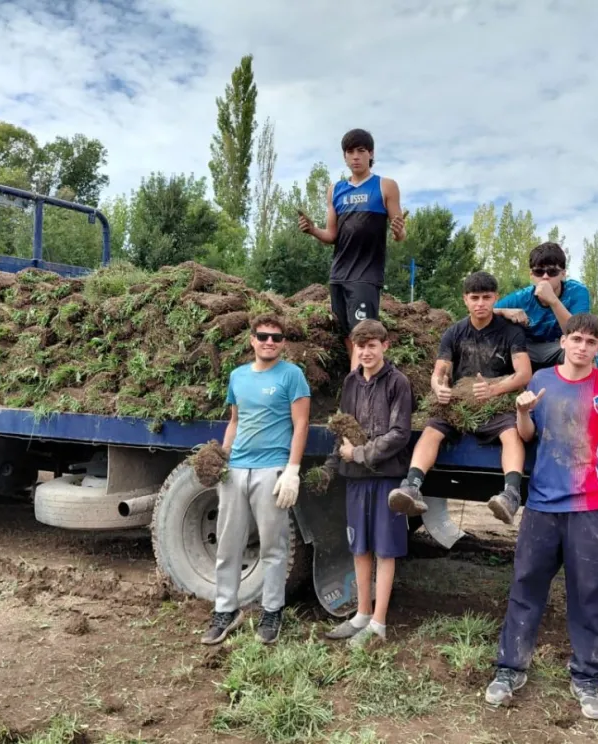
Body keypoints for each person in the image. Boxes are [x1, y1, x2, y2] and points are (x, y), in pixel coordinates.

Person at [484, 313, 598, 720]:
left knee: (591, 597)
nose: (582, 347)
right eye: (576, 339)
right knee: (525, 588)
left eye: (591, 342)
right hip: (541, 506)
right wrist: (521, 412)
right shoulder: (540, 381)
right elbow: (526, 436)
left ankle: (587, 679)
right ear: (563, 340)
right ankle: (509, 670)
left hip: (590, 507)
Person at [386, 271, 532, 525]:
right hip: (460, 402)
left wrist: (494, 390)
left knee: (511, 433)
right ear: (465, 299)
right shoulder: (454, 333)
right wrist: (439, 388)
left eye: (486, 297)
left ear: (496, 298)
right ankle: (411, 485)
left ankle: (510, 494)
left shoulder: (511, 332)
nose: (480, 303)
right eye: (474, 297)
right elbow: (439, 372)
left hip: (497, 401)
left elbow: (524, 374)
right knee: (431, 430)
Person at [201, 314, 311, 646]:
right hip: (236, 470)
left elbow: (302, 424)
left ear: (283, 344)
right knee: (228, 544)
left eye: (276, 338)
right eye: (263, 336)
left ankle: (272, 611)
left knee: (273, 547)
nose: (269, 342)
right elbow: (235, 420)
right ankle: (226, 610)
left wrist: (292, 470)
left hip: (272, 470)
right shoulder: (238, 376)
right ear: (252, 340)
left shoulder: (293, 376)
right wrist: (223, 454)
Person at [317, 319, 414, 648]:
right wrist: (334, 464)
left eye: (373, 345)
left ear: (385, 346)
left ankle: (379, 622)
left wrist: (359, 453)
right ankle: (361, 613)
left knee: (385, 550)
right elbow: (343, 425)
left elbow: (399, 434)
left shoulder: (398, 383)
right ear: (354, 349)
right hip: (356, 480)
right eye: (361, 346)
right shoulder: (350, 383)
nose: (366, 352)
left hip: (386, 478)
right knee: (360, 547)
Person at [299, 128, 406, 370]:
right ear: (345, 157)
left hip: (366, 275)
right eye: (350, 152)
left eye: (361, 151)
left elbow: (400, 235)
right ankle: (356, 382)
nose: (355, 156)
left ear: (371, 154)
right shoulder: (335, 190)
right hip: (338, 275)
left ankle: (361, 392)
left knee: (365, 335)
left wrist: (399, 230)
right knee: (348, 335)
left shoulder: (385, 186)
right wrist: (313, 230)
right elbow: (332, 235)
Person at [492, 241, 598, 369]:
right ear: (532, 275)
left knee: (582, 347)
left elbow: (580, 333)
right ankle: (512, 385)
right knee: (498, 346)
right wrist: (503, 311)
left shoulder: (577, 291)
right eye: (539, 272)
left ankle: (586, 387)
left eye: (552, 272)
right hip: (528, 350)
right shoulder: (521, 297)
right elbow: (483, 313)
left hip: (560, 348)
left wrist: (553, 301)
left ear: (563, 273)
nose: (545, 277)